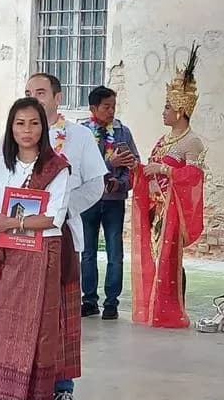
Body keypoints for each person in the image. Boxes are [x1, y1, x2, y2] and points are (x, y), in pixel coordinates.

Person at [0, 97, 71, 400]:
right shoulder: (1, 165)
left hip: (41, 254)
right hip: (8, 253)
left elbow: (53, 217)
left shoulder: (57, 168)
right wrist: (0, 221)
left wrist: (13, 222)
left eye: (34, 123)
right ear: (11, 127)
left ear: (43, 128)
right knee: (4, 327)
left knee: (36, 329)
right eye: (20, 123)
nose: (27, 130)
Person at [24, 73, 106, 400]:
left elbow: (96, 183)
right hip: (23, 236)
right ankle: (25, 387)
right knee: (27, 311)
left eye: (40, 93)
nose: (34, 98)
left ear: (58, 98)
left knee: (62, 314)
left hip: (63, 233)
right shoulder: (17, 132)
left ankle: (63, 390)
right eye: (28, 93)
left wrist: (63, 207)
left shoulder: (78, 136)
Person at [132, 45, 205, 329]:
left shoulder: (192, 141)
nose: (163, 112)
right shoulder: (165, 140)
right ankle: (156, 308)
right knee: (155, 256)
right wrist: (134, 168)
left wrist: (163, 169)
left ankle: (172, 309)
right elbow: (151, 169)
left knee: (169, 259)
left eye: (167, 107)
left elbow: (195, 176)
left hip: (173, 210)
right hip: (156, 208)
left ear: (181, 110)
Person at [80, 86, 140, 320]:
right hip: (89, 200)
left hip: (114, 201)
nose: (111, 111)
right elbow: (83, 168)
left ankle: (112, 302)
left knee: (115, 252)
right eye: (106, 106)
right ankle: (89, 300)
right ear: (93, 108)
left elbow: (133, 164)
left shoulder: (123, 132)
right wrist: (108, 163)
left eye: (114, 106)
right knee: (87, 252)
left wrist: (121, 182)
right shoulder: (82, 133)